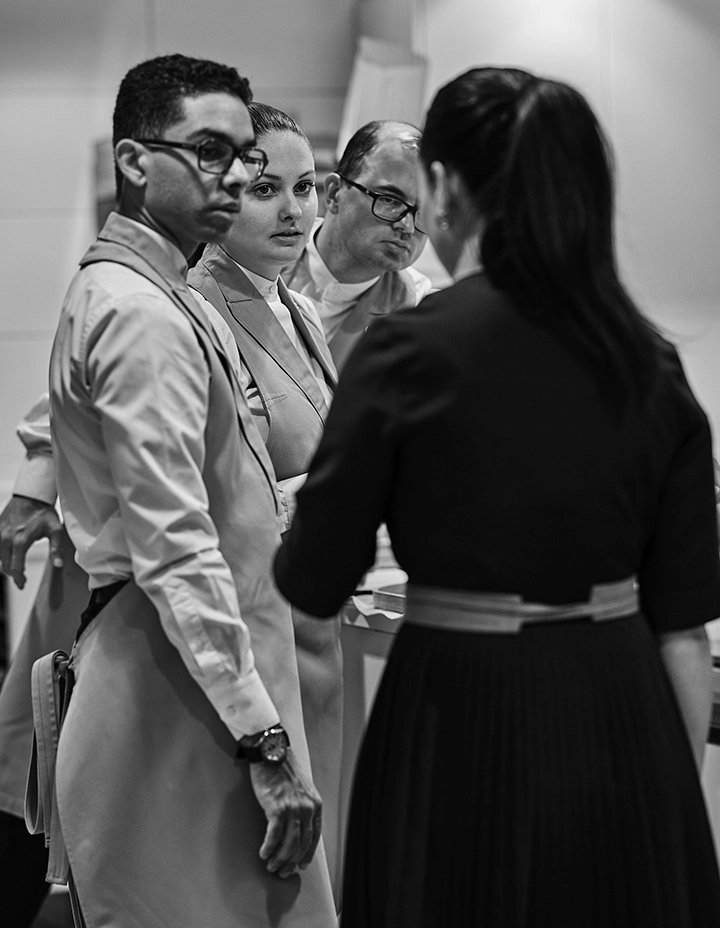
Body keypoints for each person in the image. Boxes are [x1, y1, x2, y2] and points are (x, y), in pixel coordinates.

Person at [274, 67, 720, 927]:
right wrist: (669, 799)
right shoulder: (649, 362)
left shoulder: (405, 353)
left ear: (444, 191)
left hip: (455, 705)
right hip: (621, 703)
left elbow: (314, 578)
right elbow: (683, 631)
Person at [41, 53, 336, 927]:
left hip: (205, 675)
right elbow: (174, 546)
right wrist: (263, 740)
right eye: (211, 151)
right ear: (135, 162)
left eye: (244, 154)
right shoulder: (138, 311)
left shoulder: (166, 293)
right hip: (180, 689)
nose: (236, 176)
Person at [187, 101, 343, 896]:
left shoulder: (298, 305)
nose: (292, 210)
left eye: (305, 187)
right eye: (264, 189)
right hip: (250, 630)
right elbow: (205, 493)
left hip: (315, 617)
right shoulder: (194, 306)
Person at [285, 120, 432, 371]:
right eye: (389, 200)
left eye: (423, 211)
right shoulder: (260, 260)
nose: (407, 226)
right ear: (334, 193)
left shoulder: (419, 313)